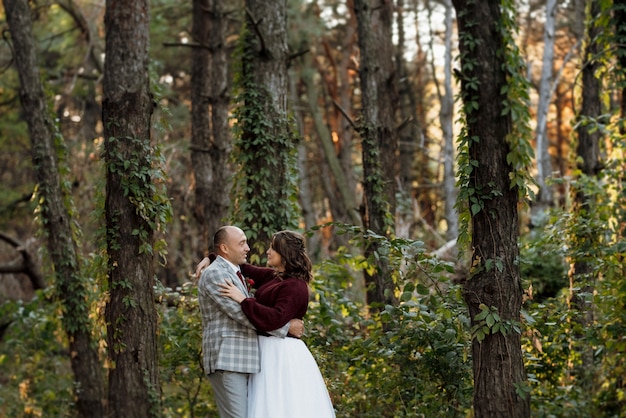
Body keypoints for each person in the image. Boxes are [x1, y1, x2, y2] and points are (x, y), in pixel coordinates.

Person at [217, 230, 335, 418]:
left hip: (281, 354)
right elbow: (243, 268)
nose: (267, 251)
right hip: (267, 351)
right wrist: (211, 259)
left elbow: (274, 319)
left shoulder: (295, 286)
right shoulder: (275, 276)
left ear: (285, 254)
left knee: (280, 406)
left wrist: (243, 300)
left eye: (273, 248)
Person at [197, 226, 304, 418]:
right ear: (225, 248)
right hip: (229, 359)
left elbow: (244, 269)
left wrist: (212, 257)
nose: (249, 248)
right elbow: (242, 314)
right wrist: (287, 328)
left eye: (273, 248)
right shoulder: (216, 274)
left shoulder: (287, 282)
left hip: (252, 360)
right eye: (242, 243)